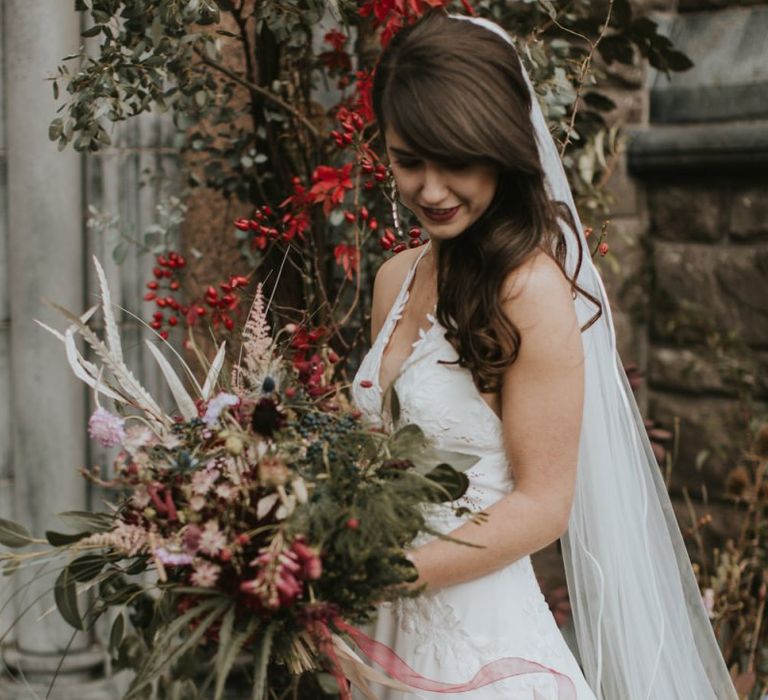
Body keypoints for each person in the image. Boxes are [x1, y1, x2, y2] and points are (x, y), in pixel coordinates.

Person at [351, 9, 738, 700]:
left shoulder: (530, 290)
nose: (431, 191)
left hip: (482, 655)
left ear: (501, 147)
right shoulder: (395, 278)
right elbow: (376, 453)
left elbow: (542, 505)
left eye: (457, 162)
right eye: (409, 161)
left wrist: (387, 571)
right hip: (378, 638)